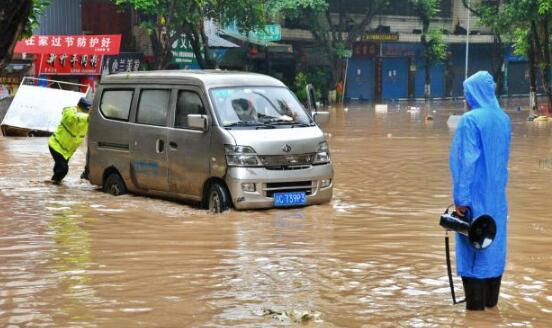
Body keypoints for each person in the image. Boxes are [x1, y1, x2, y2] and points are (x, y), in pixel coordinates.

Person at [449, 71, 511, 311]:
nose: (465, 99)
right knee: (493, 247)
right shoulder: (504, 120)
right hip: (497, 200)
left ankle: (475, 314)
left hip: (474, 200)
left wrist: (461, 199)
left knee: (473, 251)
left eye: (467, 93)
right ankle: (491, 308)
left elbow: (465, 162)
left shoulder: (470, 120)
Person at [48, 97, 91, 184]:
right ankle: (55, 187)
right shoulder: (69, 111)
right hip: (56, 146)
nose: (86, 113)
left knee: (59, 170)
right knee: (63, 169)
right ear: (78, 107)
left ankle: (53, 185)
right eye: (85, 110)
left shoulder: (87, 118)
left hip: (67, 152)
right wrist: (88, 116)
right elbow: (72, 118)